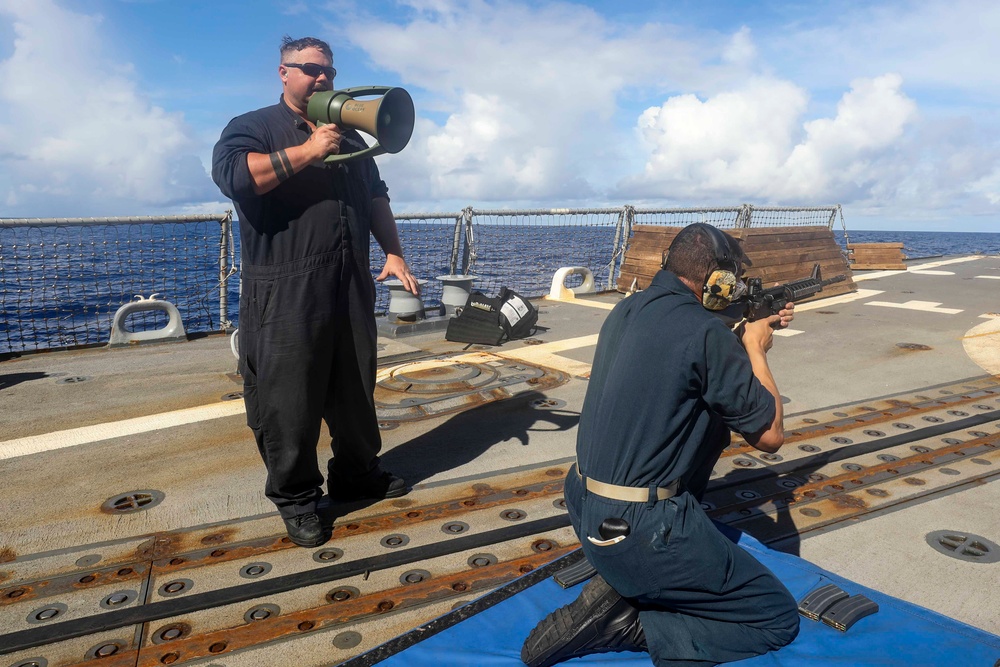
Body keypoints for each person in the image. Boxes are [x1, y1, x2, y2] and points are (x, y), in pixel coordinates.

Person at [522, 223, 800, 666]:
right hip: (641, 532)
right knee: (775, 618)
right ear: (717, 281)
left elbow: (681, 364)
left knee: (708, 416)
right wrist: (756, 348)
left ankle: (628, 579)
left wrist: (737, 334)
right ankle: (631, 623)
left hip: (584, 505)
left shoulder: (626, 309)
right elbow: (769, 436)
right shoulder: (706, 333)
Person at [211, 35, 419, 548]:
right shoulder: (252, 127)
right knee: (288, 400)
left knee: (354, 387)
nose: (321, 77)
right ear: (283, 73)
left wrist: (393, 251)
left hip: (347, 282)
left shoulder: (350, 136)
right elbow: (236, 177)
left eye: (327, 69)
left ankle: (356, 473)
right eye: (308, 68)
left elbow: (375, 197)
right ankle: (298, 498)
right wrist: (308, 150)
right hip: (283, 287)